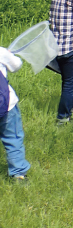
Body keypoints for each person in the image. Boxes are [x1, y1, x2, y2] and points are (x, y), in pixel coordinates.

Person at [0, 47, 31, 183]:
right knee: (13, 138)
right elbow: (16, 65)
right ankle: (18, 174)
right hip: (7, 106)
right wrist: (9, 54)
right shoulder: (1, 52)